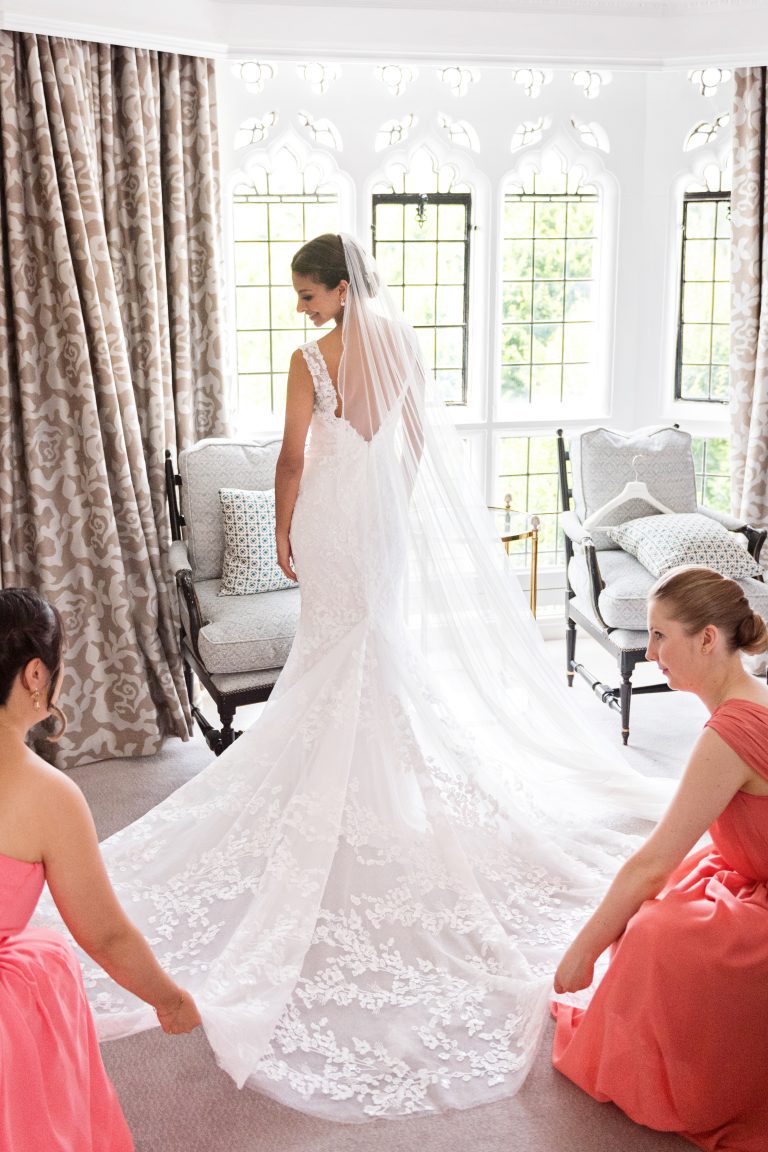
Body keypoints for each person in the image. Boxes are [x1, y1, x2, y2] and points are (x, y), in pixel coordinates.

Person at [34, 233, 672, 1121]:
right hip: (380, 519)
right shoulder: (402, 341)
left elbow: (291, 459)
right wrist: (390, 511)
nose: (299, 308)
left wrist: (287, 529)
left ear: (338, 289)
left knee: (339, 652)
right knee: (366, 653)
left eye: (306, 293)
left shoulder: (312, 359)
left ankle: (345, 792)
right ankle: (372, 789)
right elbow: (410, 441)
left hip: (333, 518)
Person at [552, 565, 768, 1151]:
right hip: (755, 873)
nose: (648, 653)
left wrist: (583, 951)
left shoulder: (732, 730)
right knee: (665, 905)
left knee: (653, 931)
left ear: (706, 638)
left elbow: (651, 863)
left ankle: (704, 1081)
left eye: (658, 635)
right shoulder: (750, 699)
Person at [0, 588, 201, 1152]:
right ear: (36, 674)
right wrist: (169, 998)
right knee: (46, 977)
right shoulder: (47, 795)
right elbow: (105, 934)